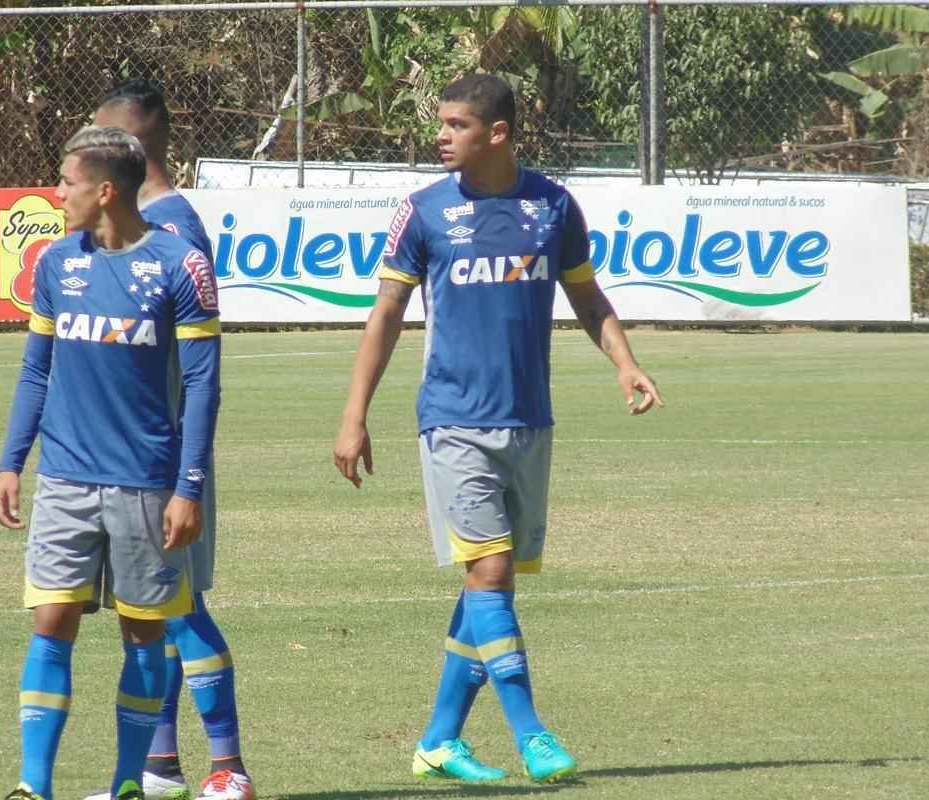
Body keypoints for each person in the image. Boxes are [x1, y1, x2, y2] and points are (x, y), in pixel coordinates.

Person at [332, 73, 663, 784]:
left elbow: (585, 294)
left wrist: (625, 363)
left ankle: (440, 740)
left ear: (498, 134)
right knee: (490, 571)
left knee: (489, 589)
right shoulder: (422, 211)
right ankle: (531, 732)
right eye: (442, 123)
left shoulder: (552, 207)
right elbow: (386, 313)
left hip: (529, 421)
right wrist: (354, 415)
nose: (440, 135)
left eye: (455, 125)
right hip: (452, 420)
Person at [0, 125, 222, 800]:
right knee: (50, 620)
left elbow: (205, 384)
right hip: (63, 477)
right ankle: (33, 787)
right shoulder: (56, 263)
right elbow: (37, 370)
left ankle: (128, 782)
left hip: (147, 484)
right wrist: (12, 461)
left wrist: (189, 487)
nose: (56, 192)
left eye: (65, 181)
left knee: (143, 632)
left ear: (104, 190)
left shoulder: (181, 265)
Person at [82, 79, 253, 800]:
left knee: (178, 607)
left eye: (91, 136)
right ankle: (160, 767)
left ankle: (229, 769)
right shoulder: (126, 228)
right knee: (145, 611)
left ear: (123, 145)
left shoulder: (175, 230)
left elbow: (193, 361)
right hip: (119, 454)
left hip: (164, 453)